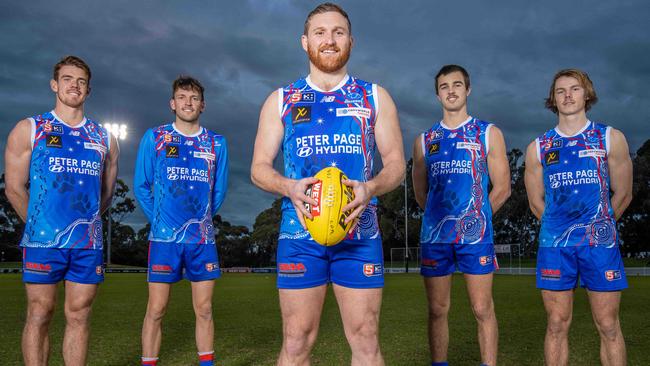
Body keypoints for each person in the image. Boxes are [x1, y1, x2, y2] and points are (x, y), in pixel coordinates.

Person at [250, 3, 405, 365]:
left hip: (360, 232)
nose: (329, 40)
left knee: (365, 338)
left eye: (338, 32)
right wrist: (288, 187)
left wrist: (371, 188)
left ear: (351, 41)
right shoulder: (281, 100)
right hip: (299, 234)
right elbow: (258, 168)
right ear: (305, 42)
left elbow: (396, 164)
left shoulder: (375, 97)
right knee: (296, 341)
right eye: (320, 32)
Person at [4, 55, 119, 366]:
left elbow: (107, 192)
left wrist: (86, 224)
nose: (74, 85)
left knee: (79, 315)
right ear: (55, 84)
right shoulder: (31, 128)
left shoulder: (104, 137)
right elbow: (14, 187)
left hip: (85, 244)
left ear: (88, 90)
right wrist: (40, 226)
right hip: (43, 242)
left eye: (81, 81)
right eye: (68, 79)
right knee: (40, 313)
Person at [524, 69, 632, 366]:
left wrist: (598, 228)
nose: (568, 95)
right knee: (557, 324)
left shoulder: (610, 137)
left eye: (575, 89)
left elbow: (622, 195)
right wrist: (562, 229)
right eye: (561, 91)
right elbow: (535, 202)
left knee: (608, 325)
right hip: (555, 246)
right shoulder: (539, 147)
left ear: (587, 94)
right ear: (553, 99)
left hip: (600, 246)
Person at [412, 64, 510, 366]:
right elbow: (420, 194)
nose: (451, 90)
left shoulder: (487, 132)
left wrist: (476, 220)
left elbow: (503, 187)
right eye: (444, 86)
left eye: (457, 84)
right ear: (437, 94)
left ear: (467, 89)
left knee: (482, 308)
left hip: (475, 237)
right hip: (436, 238)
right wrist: (443, 222)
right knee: (438, 309)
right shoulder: (424, 140)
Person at [134, 76, 228, 366]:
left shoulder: (216, 143)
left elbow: (219, 191)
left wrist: (197, 223)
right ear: (172, 103)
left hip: (202, 241)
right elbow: (142, 186)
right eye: (182, 97)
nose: (188, 103)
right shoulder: (156, 137)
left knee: (205, 309)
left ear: (203, 105)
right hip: (164, 241)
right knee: (157, 309)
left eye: (194, 98)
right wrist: (162, 221)